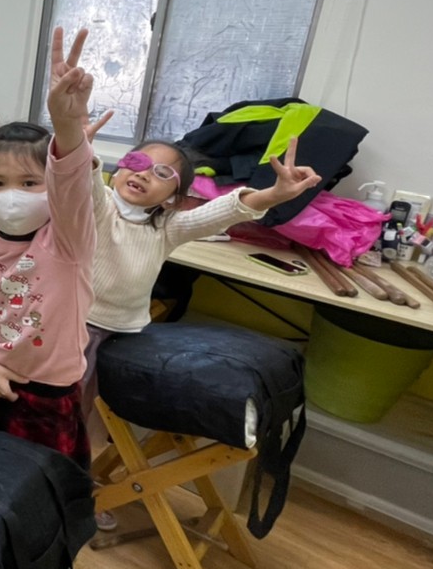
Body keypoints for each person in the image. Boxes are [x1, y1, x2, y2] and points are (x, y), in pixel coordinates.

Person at [83, 123, 319, 528]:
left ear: (174, 198)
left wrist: (275, 195)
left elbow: (222, 211)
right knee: (59, 413)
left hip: (121, 335)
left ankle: (80, 487)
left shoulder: (167, 226)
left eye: (162, 173)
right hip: (71, 326)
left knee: (91, 423)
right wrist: (78, 144)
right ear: (119, 167)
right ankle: (50, 480)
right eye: (137, 162)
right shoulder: (99, 205)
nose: (143, 174)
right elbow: (82, 180)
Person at [0, 28, 98, 469]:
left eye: (30, 182)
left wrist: (66, 126)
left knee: (37, 493)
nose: (11, 194)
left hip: (47, 397)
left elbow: (71, 181)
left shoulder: (67, 239)